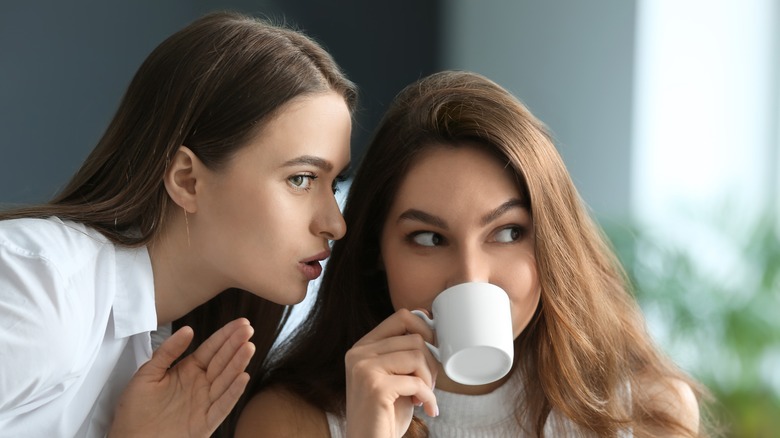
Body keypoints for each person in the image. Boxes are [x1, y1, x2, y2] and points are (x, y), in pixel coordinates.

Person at [235, 70, 709, 437]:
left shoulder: (647, 412)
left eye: (508, 233)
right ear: (376, 251)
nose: (470, 277)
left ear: (551, 242)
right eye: (428, 238)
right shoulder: (289, 421)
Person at [0, 10, 356, 437]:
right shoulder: (41, 290)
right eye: (301, 179)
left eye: (334, 185)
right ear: (187, 179)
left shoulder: (189, 352)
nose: (335, 224)